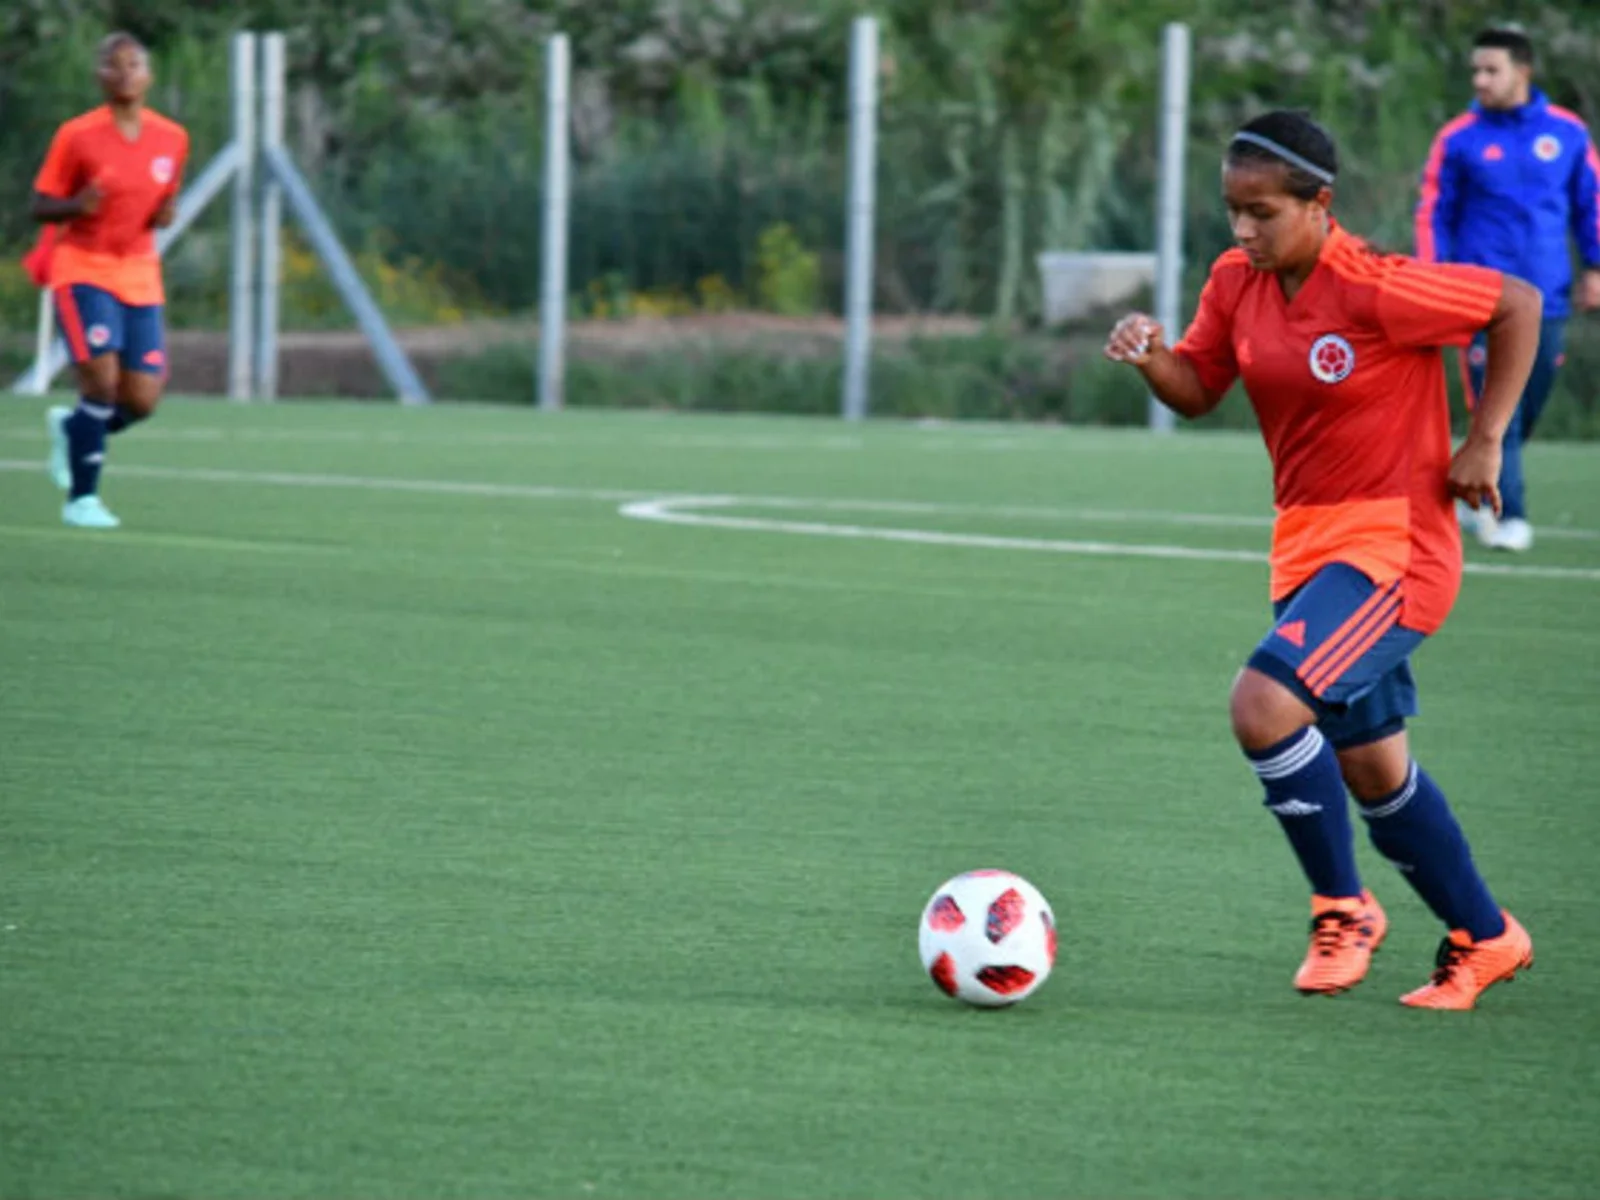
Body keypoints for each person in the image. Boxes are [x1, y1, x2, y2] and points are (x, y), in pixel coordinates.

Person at [1104, 110, 1543, 1010]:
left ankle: (1344, 910)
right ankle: (1488, 939)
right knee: (1372, 771)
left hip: (1396, 550)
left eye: (1261, 211)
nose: (1242, 230)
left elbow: (1518, 305)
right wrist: (1152, 358)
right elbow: (1199, 389)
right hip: (1306, 550)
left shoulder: (1376, 286)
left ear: (1319, 204)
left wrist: (1486, 438)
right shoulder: (1237, 281)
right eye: (1232, 210)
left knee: (1262, 705)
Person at [1415, 26, 1600, 552]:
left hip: (1548, 298)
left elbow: (1592, 204)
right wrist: (1433, 277)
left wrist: (1596, 266)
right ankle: (1509, 514)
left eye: (1491, 70)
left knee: (1528, 402)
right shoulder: (1457, 138)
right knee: (1499, 410)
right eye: (1475, 70)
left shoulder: (1567, 133)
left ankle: (1473, 484)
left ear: (1523, 71)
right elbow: (1434, 211)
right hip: (1479, 301)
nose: (1480, 80)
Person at [27, 31, 189, 529]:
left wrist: (164, 216)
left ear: (149, 76)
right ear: (99, 75)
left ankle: (74, 429)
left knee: (141, 400)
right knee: (100, 381)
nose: (125, 74)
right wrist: (77, 205)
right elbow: (39, 205)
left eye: (134, 65)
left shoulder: (173, 138)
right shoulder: (77, 135)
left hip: (139, 272)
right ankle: (82, 500)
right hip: (83, 267)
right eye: (113, 66)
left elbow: (161, 205)